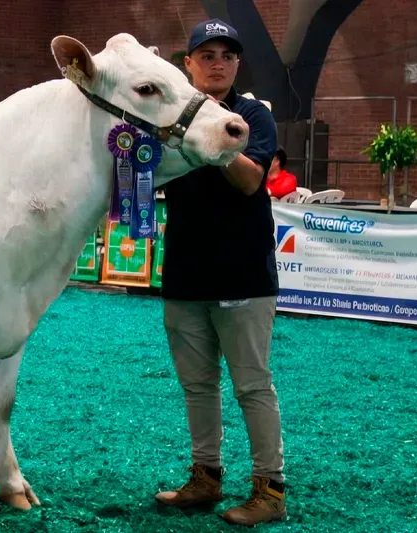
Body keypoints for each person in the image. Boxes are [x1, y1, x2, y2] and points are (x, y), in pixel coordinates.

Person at [154, 18, 287, 527]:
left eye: (226, 55)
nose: (217, 63)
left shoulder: (254, 115)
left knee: (252, 385)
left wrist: (215, 138)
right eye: (205, 55)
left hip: (243, 275)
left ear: (237, 64)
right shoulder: (167, 117)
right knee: (198, 385)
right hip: (185, 272)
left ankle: (269, 490)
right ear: (187, 64)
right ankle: (205, 478)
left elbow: (251, 182)